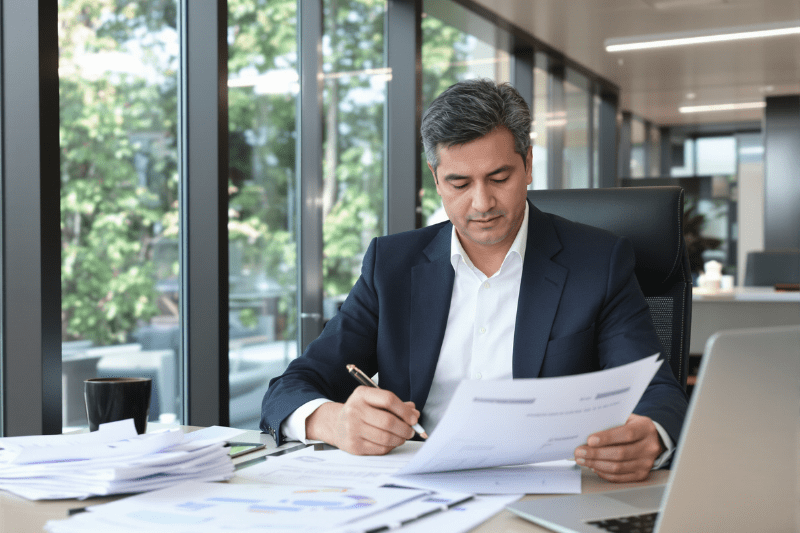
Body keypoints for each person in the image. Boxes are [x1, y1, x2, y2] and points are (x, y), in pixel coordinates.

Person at [261, 79, 688, 483]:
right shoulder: (391, 265)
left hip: (549, 486)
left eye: (499, 178)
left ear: (528, 165)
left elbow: (656, 388)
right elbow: (291, 386)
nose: (481, 203)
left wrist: (649, 433)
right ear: (435, 179)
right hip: (417, 488)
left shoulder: (598, 262)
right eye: (459, 183)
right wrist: (334, 421)